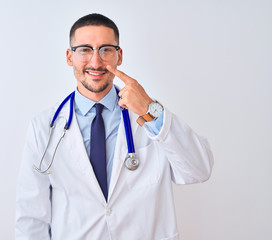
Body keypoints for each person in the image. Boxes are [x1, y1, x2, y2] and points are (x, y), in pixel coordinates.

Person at [15, 13, 214, 240]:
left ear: (119, 56)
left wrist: (150, 109)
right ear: (70, 57)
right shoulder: (44, 128)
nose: (96, 61)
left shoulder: (148, 116)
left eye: (106, 49)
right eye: (85, 49)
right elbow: (32, 218)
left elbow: (199, 170)